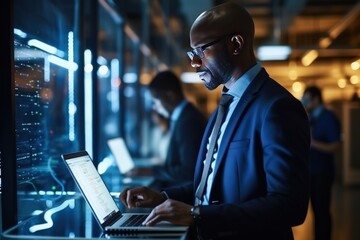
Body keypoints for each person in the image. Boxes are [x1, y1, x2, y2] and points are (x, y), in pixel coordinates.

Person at [120, 2, 310, 239]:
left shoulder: (277, 107)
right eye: (192, 54)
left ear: (236, 44)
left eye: (201, 51)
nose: (194, 63)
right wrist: (164, 197)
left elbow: (289, 206)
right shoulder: (225, 104)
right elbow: (209, 186)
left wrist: (198, 214)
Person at [129, 70, 207, 188]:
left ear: (170, 96)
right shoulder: (183, 116)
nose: (155, 106)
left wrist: (152, 171)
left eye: (156, 100)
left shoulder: (188, 121)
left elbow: (189, 171)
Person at [301, 86, 341, 240]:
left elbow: (336, 146)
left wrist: (313, 142)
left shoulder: (328, 117)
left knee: (322, 211)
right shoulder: (312, 117)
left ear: (316, 99)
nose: (306, 102)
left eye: (308, 99)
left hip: (323, 173)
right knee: (316, 210)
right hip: (311, 172)